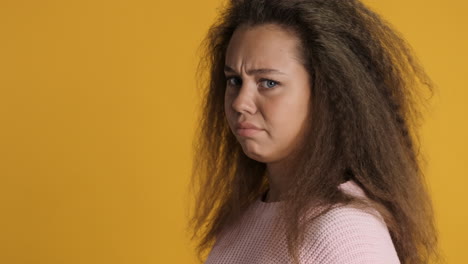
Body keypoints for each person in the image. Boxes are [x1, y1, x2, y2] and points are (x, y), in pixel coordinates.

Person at [186, 0, 443, 263]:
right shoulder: (242, 220)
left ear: (327, 93)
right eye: (234, 80)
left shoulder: (346, 232)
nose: (240, 102)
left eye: (268, 82)